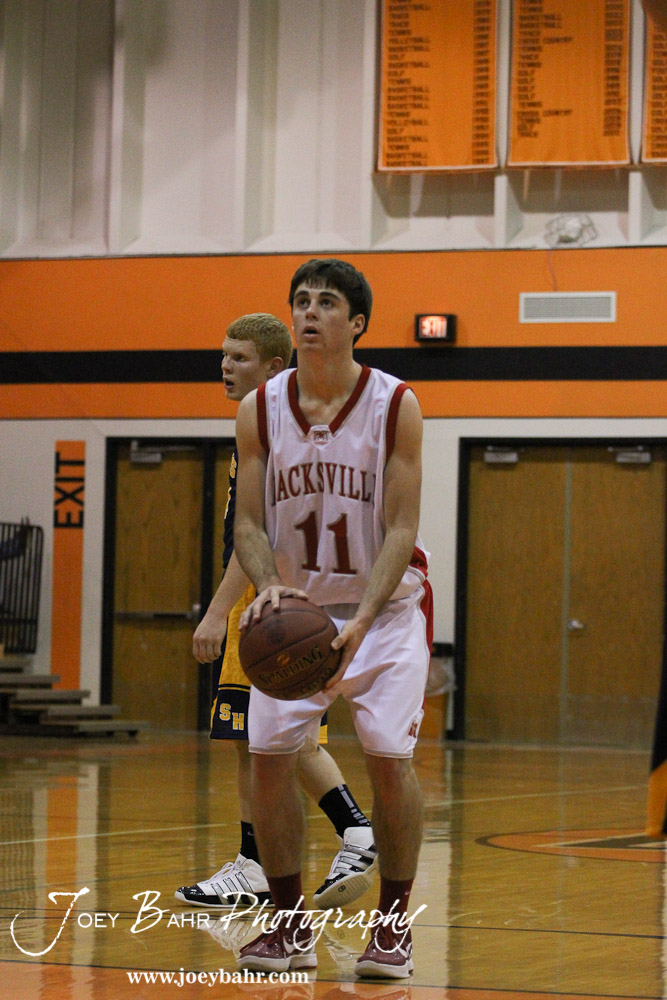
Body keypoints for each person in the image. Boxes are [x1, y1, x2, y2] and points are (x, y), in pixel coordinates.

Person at [233, 260, 432, 979]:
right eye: (300, 301)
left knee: (388, 763)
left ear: (357, 323)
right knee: (266, 761)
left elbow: (401, 528)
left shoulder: (395, 404)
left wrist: (363, 620)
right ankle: (289, 929)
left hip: (386, 611)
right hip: (298, 612)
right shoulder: (258, 408)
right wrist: (267, 588)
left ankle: (392, 929)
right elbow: (248, 523)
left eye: (325, 302)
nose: (308, 312)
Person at [174, 313, 378, 912]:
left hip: (267, 603)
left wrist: (217, 613)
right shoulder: (275, 425)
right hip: (292, 602)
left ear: (272, 366)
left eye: (238, 357)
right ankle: (345, 836)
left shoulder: (273, 432)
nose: (224, 366)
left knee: (257, 740)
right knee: (277, 740)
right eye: (222, 355)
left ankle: (265, 864)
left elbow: (257, 536)